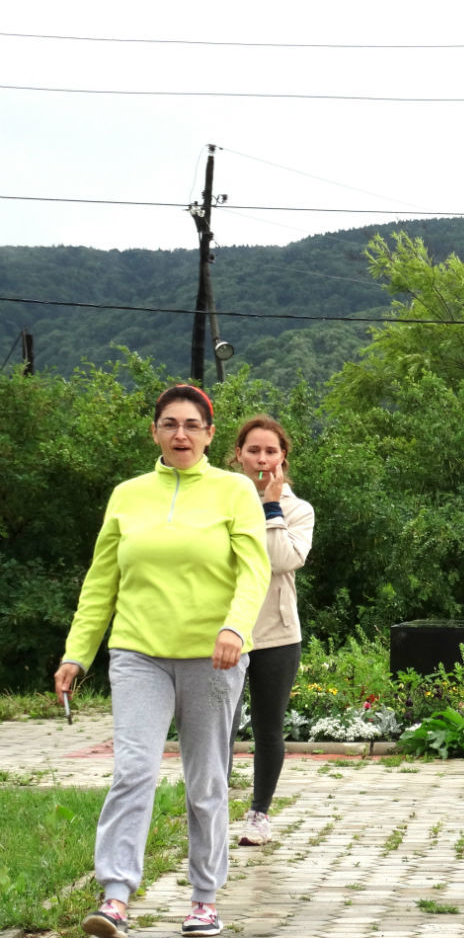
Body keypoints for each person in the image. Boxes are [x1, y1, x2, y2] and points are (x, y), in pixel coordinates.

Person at [53, 384, 270, 938]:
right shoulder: (127, 495)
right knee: (133, 772)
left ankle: (203, 900)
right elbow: (102, 581)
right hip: (138, 653)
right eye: (170, 424)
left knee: (205, 781)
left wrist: (234, 629)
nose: (181, 434)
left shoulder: (235, 492)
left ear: (209, 434)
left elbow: (254, 571)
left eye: (192, 425)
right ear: (154, 432)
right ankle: (115, 897)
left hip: (214, 657)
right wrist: (78, 653)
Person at [227, 415, 315, 847]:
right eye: (253, 450)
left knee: (267, 728)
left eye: (270, 451)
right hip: (223, 630)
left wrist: (272, 506)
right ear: (238, 454)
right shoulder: (219, 499)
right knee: (216, 727)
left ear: (283, 457)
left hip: (277, 634)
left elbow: (281, 559)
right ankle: (206, 806)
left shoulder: (299, 509)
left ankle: (259, 813)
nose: (261, 459)